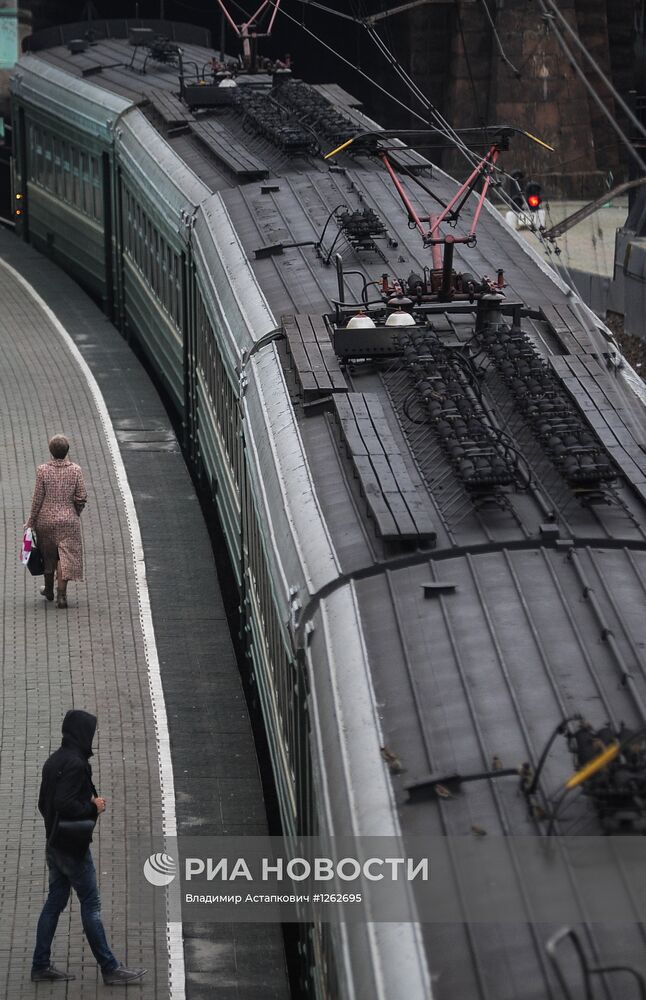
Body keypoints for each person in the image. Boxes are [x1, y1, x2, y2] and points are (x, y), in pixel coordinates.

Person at [31, 710, 147, 986]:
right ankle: (110, 968)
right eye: (90, 731)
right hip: (72, 849)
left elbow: (43, 804)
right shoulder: (75, 764)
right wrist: (92, 807)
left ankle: (40, 965)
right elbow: (64, 803)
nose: (92, 736)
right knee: (91, 904)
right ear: (81, 733)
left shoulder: (54, 760)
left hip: (54, 844)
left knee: (55, 901)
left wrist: (55, 829)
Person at [25, 435, 87, 609]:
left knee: (48, 556)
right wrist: (75, 512)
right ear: (67, 451)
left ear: (51, 451)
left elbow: (37, 498)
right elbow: (81, 497)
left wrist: (31, 521)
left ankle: (49, 591)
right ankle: (62, 596)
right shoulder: (76, 470)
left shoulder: (43, 470)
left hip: (45, 520)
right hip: (69, 521)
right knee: (65, 558)